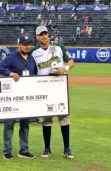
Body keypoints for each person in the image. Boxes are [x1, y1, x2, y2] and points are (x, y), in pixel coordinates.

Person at [30, 26, 75, 159]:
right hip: (44, 86)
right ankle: (47, 148)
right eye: (41, 34)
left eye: (45, 34)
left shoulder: (59, 47)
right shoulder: (33, 51)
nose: (44, 36)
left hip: (59, 84)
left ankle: (67, 148)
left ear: (48, 35)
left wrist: (65, 68)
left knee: (63, 116)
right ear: (37, 37)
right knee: (46, 117)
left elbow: (71, 61)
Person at [0, 35, 37, 160]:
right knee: (9, 124)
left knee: (25, 124)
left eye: (29, 44)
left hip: (27, 96)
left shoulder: (31, 58)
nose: (27, 46)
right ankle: (7, 151)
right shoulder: (12, 57)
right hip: (13, 96)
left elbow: (36, 74)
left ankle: (24, 150)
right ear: (18, 45)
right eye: (24, 44)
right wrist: (10, 73)